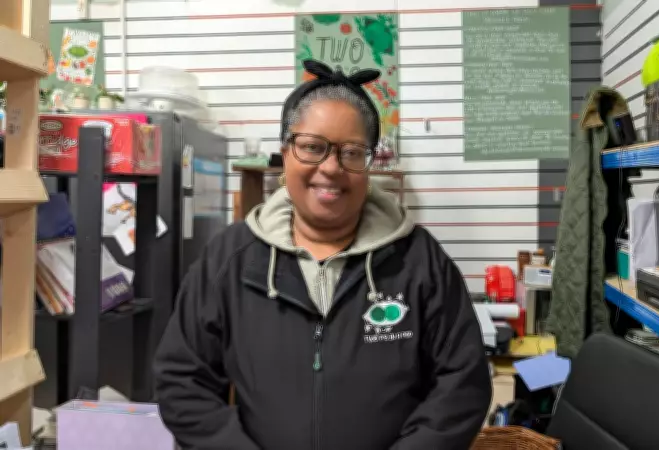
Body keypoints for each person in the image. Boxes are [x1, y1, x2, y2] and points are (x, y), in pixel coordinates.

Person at [153, 59, 492, 450]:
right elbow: (182, 379)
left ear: (369, 161)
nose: (331, 168)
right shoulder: (231, 259)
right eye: (312, 147)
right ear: (286, 152)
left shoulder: (419, 260)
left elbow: (462, 385)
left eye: (352, 152)